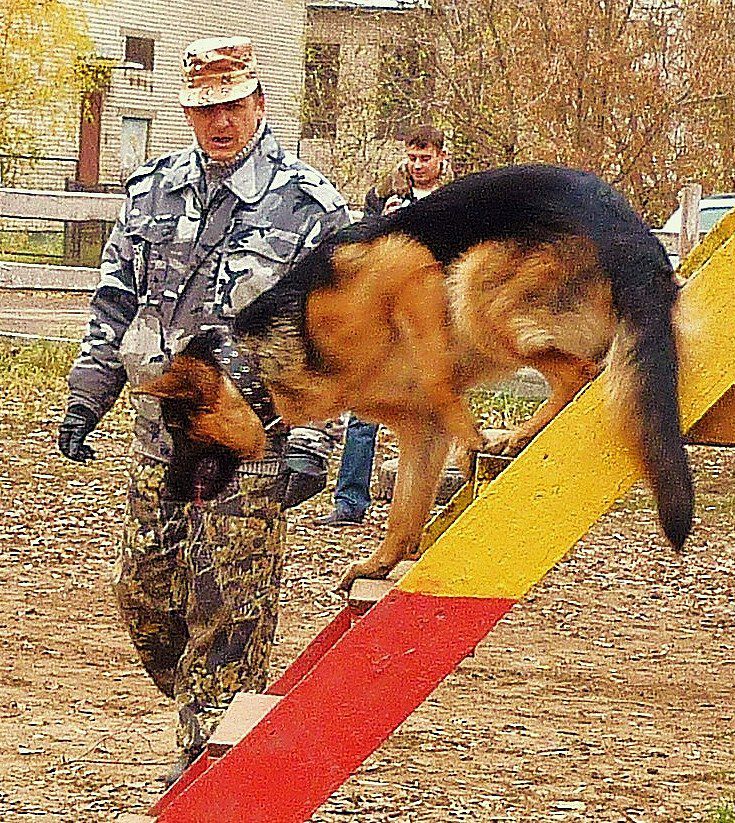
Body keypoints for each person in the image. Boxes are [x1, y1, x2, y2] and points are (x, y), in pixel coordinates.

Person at [57, 36, 349, 784]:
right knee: (143, 595)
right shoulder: (152, 192)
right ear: (187, 111)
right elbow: (114, 305)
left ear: (259, 103)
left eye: (231, 105)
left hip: (253, 446)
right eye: (203, 108)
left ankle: (209, 775)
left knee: (227, 619)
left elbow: (338, 338)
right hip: (162, 438)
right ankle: (211, 718)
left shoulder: (310, 206)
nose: (219, 121)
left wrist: (314, 443)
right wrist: (87, 397)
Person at [315, 124, 449, 527]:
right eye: (412, 157)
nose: (418, 165)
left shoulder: (457, 198)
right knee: (364, 408)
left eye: (425, 158)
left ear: (441, 157)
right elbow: (361, 245)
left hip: (436, 314)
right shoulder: (383, 193)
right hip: (386, 310)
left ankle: (418, 512)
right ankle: (349, 502)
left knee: (438, 410)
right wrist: (385, 224)